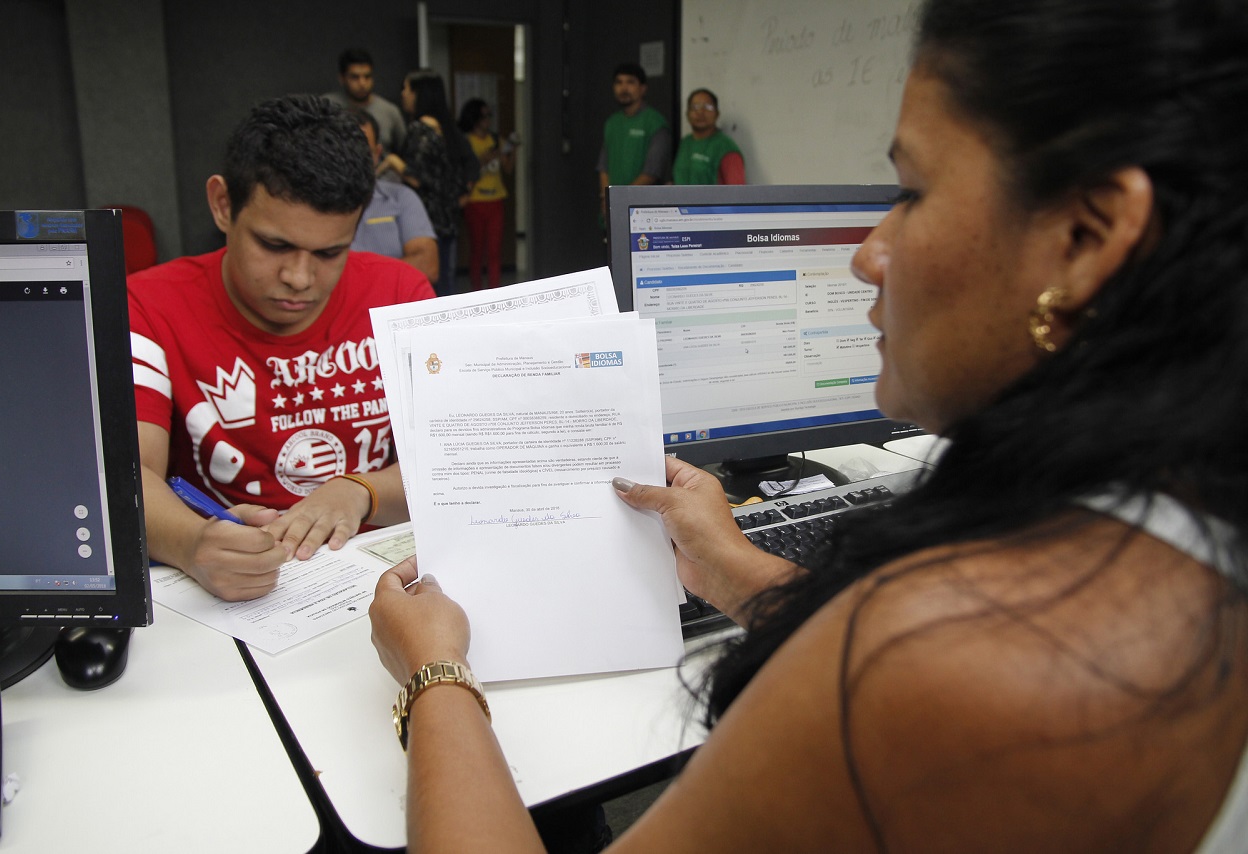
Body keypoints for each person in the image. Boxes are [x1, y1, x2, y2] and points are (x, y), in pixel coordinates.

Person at [368, 0, 1248, 849]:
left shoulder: (975, 652)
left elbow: (915, 681)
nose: (868, 252)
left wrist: (435, 675)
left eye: (912, 192)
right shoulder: (1184, 521)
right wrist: (737, 570)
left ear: (1089, 236)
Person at [129, 95, 435, 602]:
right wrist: (190, 541)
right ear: (223, 204)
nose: (298, 278)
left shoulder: (401, 295)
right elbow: (129, 474)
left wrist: (363, 490)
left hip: (377, 581)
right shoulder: (149, 305)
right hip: (225, 587)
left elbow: (449, 460)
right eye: (273, 246)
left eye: (330, 253)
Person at [384, 69, 479, 297]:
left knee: (427, 287)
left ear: (419, 94)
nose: (403, 95)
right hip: (448, 219)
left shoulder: (420, 130)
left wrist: (393, 162)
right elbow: (471, 166)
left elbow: (417, 177)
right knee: (446, 281)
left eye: (406, 89)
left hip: (426, 221)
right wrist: (462, 195)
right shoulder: (448, 129)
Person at [349, 109, 439, 284]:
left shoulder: (401, 198)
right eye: (346, 152)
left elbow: (428, 266)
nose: (354, 161)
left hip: (392, 307)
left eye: (363, 151)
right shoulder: (311, 206)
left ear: (377, 154)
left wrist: (357, 281)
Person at [596, 62, 670, 225]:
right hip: (612, 208)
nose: (624, 88)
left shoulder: (655, 123)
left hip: (642, 213)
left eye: (630, 82)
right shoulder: (612, 122)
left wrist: (621, 201)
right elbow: (603, 167)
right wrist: (606, 199)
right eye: (619, 82)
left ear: (643, 88)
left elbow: (652, 172)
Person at [457, 98, 516, 290]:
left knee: (494, 251)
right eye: (484, 116)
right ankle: (476, 291)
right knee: (477, 250)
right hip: (475, 201)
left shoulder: (496, 139)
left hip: (496, 199)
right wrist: (485, 158)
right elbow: (466, 169)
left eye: (490, 116)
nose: (488, 120)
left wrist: (511, 151)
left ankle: (495, 290)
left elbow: (508, 169)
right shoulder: (466, 141)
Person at [323, 47, 406, 155]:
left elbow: (405, 154)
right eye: (355, 77)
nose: (362, 83)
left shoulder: (390, 112)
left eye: (367, 76)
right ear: (342, 78)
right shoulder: (327, 107)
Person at [672, 88, 744, 185]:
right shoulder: (686, 142)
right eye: (695, 107)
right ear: (687, 114)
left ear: (717, 114)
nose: (700, 112)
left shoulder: (725, 148)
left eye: (708, 107)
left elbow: (738, 193)